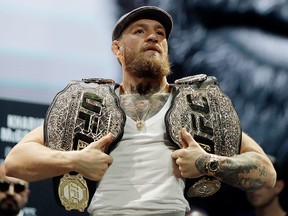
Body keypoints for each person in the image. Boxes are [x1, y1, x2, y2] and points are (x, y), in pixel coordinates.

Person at [3, 5, 276, 216]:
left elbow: (265, 173)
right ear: (117, 49)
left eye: (160, 33)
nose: (153, 37)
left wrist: (208, 163)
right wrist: (74, 161)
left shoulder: (196, 106)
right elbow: (16, 162)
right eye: (140, 31)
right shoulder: (89, 106)